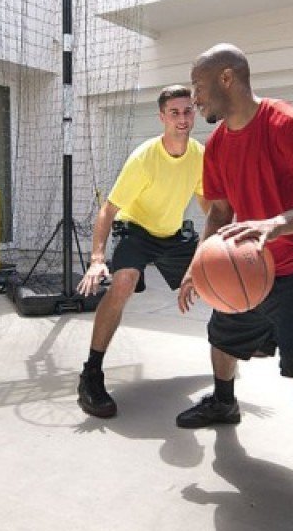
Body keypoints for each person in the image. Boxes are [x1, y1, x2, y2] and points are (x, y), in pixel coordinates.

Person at [177, 43, 293, 528]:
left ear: (227, 78)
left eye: (198, 87)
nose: (195, 100)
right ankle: (224, 401)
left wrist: (276, 224)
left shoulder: (287, 124)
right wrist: (199, 262)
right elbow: (219, 212)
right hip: (250, 263)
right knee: (222, 335)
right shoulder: (218, 144)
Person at [76, 85, 208, 419]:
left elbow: (209, 204)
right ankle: (91, 374)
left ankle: (251, 336)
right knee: (123, 284)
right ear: (162, 117)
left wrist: (221, 244)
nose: (182, 118)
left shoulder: (199, 155)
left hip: (173, 234)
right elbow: (108, 209)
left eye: (187, 111)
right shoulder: (144, 158)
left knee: (218, 275)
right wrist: (96, 260)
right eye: (174, 112)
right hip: (136, 230)